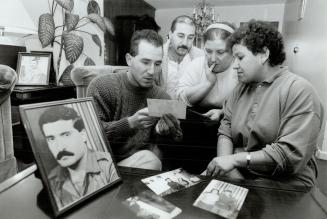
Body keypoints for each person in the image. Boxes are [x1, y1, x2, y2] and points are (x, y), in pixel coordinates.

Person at [206, 20, 324, 187]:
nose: (235, 65)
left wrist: (235, 160)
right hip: (241, 175)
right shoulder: (240, 88)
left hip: (285, 186)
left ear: (263, 54)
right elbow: (225, 130)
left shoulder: (299, 90)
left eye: (240, 57)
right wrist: (226, 168)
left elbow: (289, 155)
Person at [87, 29, 182, 171]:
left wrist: (163, 133)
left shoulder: (162, 97)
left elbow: (174, 146)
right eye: (145, 62)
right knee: (150, 159)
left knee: (153, 157)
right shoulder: (102, 86)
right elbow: (90, 135)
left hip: (139, 167)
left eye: (157, 64)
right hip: (100, 167)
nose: (151, 71)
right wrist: (130, 123)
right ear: (129, 60)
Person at [38, 105, 119, 209]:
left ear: (83, 135)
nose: (60, 147)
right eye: (51, 139)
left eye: (66, 135)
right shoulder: (52, 181)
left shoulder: (108, 165)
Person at [177, 22, 238, 121]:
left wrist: (223, 112)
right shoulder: (196, 64)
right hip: (195, 121)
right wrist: (208, 83)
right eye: (208, 51)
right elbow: (181, 101)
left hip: (229, 121)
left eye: (220, 52)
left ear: (233, 51)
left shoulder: (239, 68)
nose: (213, 59)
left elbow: (248, 105)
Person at [158, 15, 204, 99]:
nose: (185, 43)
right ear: (170, 35)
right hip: (160, 109)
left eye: (190, 37)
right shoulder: (158, 55)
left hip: (190, 109)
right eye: (180, 36)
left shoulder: (200, 57)